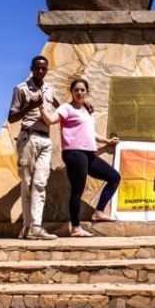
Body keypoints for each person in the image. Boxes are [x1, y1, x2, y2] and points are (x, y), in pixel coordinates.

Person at [41, 78, 121, 237]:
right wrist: (40, 107)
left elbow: (90, 132)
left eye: (82, 90)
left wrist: (106, 141)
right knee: (78, 189)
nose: (79, 92)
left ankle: (98, 212)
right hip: (74, 153)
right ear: (71, 92)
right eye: (76, 90)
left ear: (86, 92)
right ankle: (76, 228)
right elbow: (51, 120)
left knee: (114, 177)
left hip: (88, 153)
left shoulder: (86, 110)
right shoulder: (66, 108)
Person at [8, 56, 60, 240]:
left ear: (46, 70)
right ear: (31, 68)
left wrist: (82, 106)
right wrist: (30, 106)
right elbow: (12, 117)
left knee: (40, 183)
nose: (40, 71)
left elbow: (60, 107)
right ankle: (28, 227)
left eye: (43, 69)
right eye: (37, 68)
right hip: (28, 137)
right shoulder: (20, 89)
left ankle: (35, 227)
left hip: (46, 139)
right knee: (28, 184)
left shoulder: (49, 89)